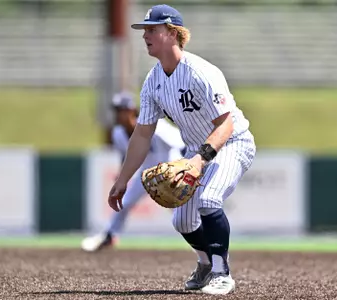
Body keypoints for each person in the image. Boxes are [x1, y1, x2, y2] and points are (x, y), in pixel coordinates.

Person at [107, 4, 256, 296]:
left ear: (173, 33)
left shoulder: (201, 72)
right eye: (144, 30)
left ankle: (221, 273)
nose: (145, 35)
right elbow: (142, 134)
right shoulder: (153, 81)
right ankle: (204, 263)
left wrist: (199, 161)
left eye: (152, 29)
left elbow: (225, 126)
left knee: (209, 199)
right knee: (183, 220)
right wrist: (123, 179)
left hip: (232, 143)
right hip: (196, 150)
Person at [81, 91, 185, 252]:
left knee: (181, 212)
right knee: (125, 202)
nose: (118, 114)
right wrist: (122, 177)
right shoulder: (118, 134)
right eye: (116, 110)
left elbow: (182, 144)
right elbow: (126, 156)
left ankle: (202, 243)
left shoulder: (155, 126)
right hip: (147, 173)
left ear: (131, 110)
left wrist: (186, 170)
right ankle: (110, 235)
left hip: (170, 170)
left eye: (121, 110)